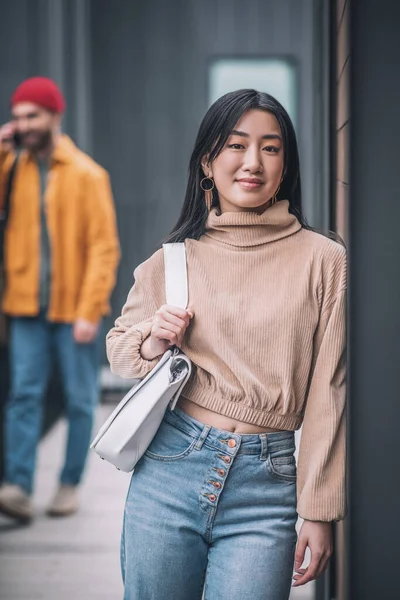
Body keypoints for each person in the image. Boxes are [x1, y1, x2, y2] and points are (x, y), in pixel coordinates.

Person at [106, 89, 346, 599]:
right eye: (236, 145)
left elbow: (331, 391)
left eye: (271, 148)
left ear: (286, 166)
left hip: (267, 486)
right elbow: (121, 349)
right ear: (207, 163)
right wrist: (153, 339)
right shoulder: (174, 260)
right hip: (170, 470)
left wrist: (320, 511)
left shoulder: (324, 260)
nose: (253, 162)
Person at [0, 77, 120, 521]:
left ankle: (69, 484)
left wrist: (90, 311)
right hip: (25, 307)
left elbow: (105, 248)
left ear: (54, 116)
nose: (23, 124)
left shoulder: (88, 175)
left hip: (74, 311)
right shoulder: (13, 168)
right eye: (17, 116)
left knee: (79, 400)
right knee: (23, 396)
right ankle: (17, 487)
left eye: (32, 115)